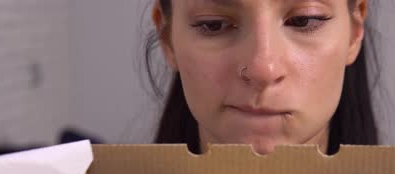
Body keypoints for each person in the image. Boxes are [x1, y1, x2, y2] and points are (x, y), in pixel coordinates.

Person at [145, 0, 378, 155]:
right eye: (213, 25)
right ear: (168, 39)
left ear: (354, 33)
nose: (262, 70)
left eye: (303, 20)